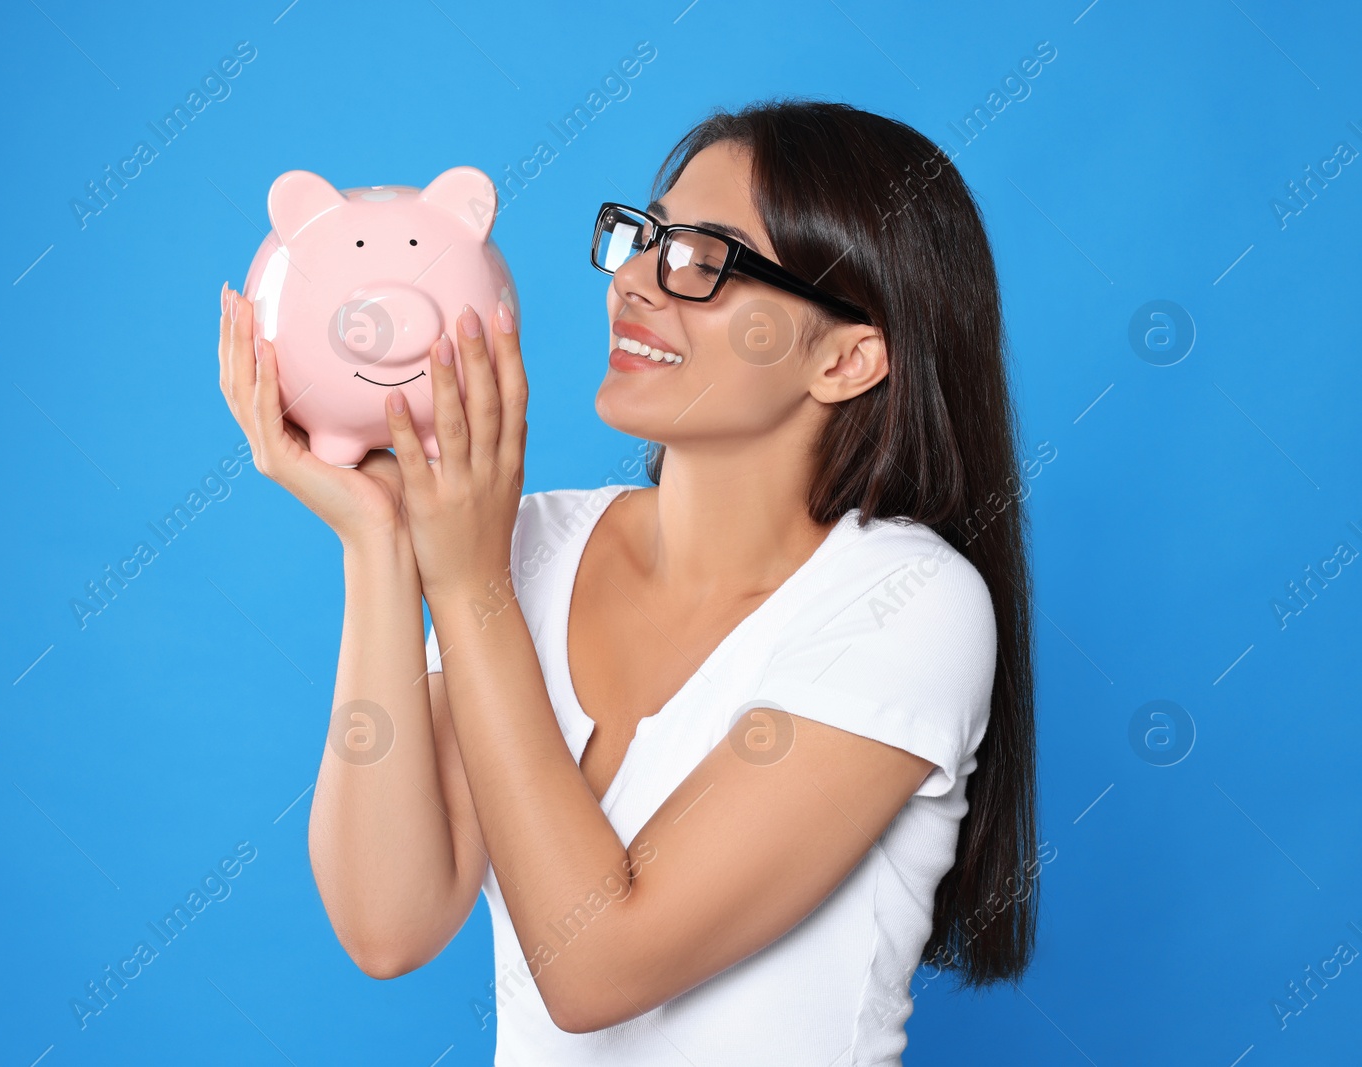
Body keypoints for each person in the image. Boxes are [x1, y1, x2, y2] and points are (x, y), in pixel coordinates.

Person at [217, 96, 1039, 1065]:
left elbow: (595, 968)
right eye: (645, 236)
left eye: (707, 258)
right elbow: (388, 923)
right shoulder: (527, 541)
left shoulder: (908, 604)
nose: (639, 279)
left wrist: (471, 583)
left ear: (846, 357)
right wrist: (383, 545)